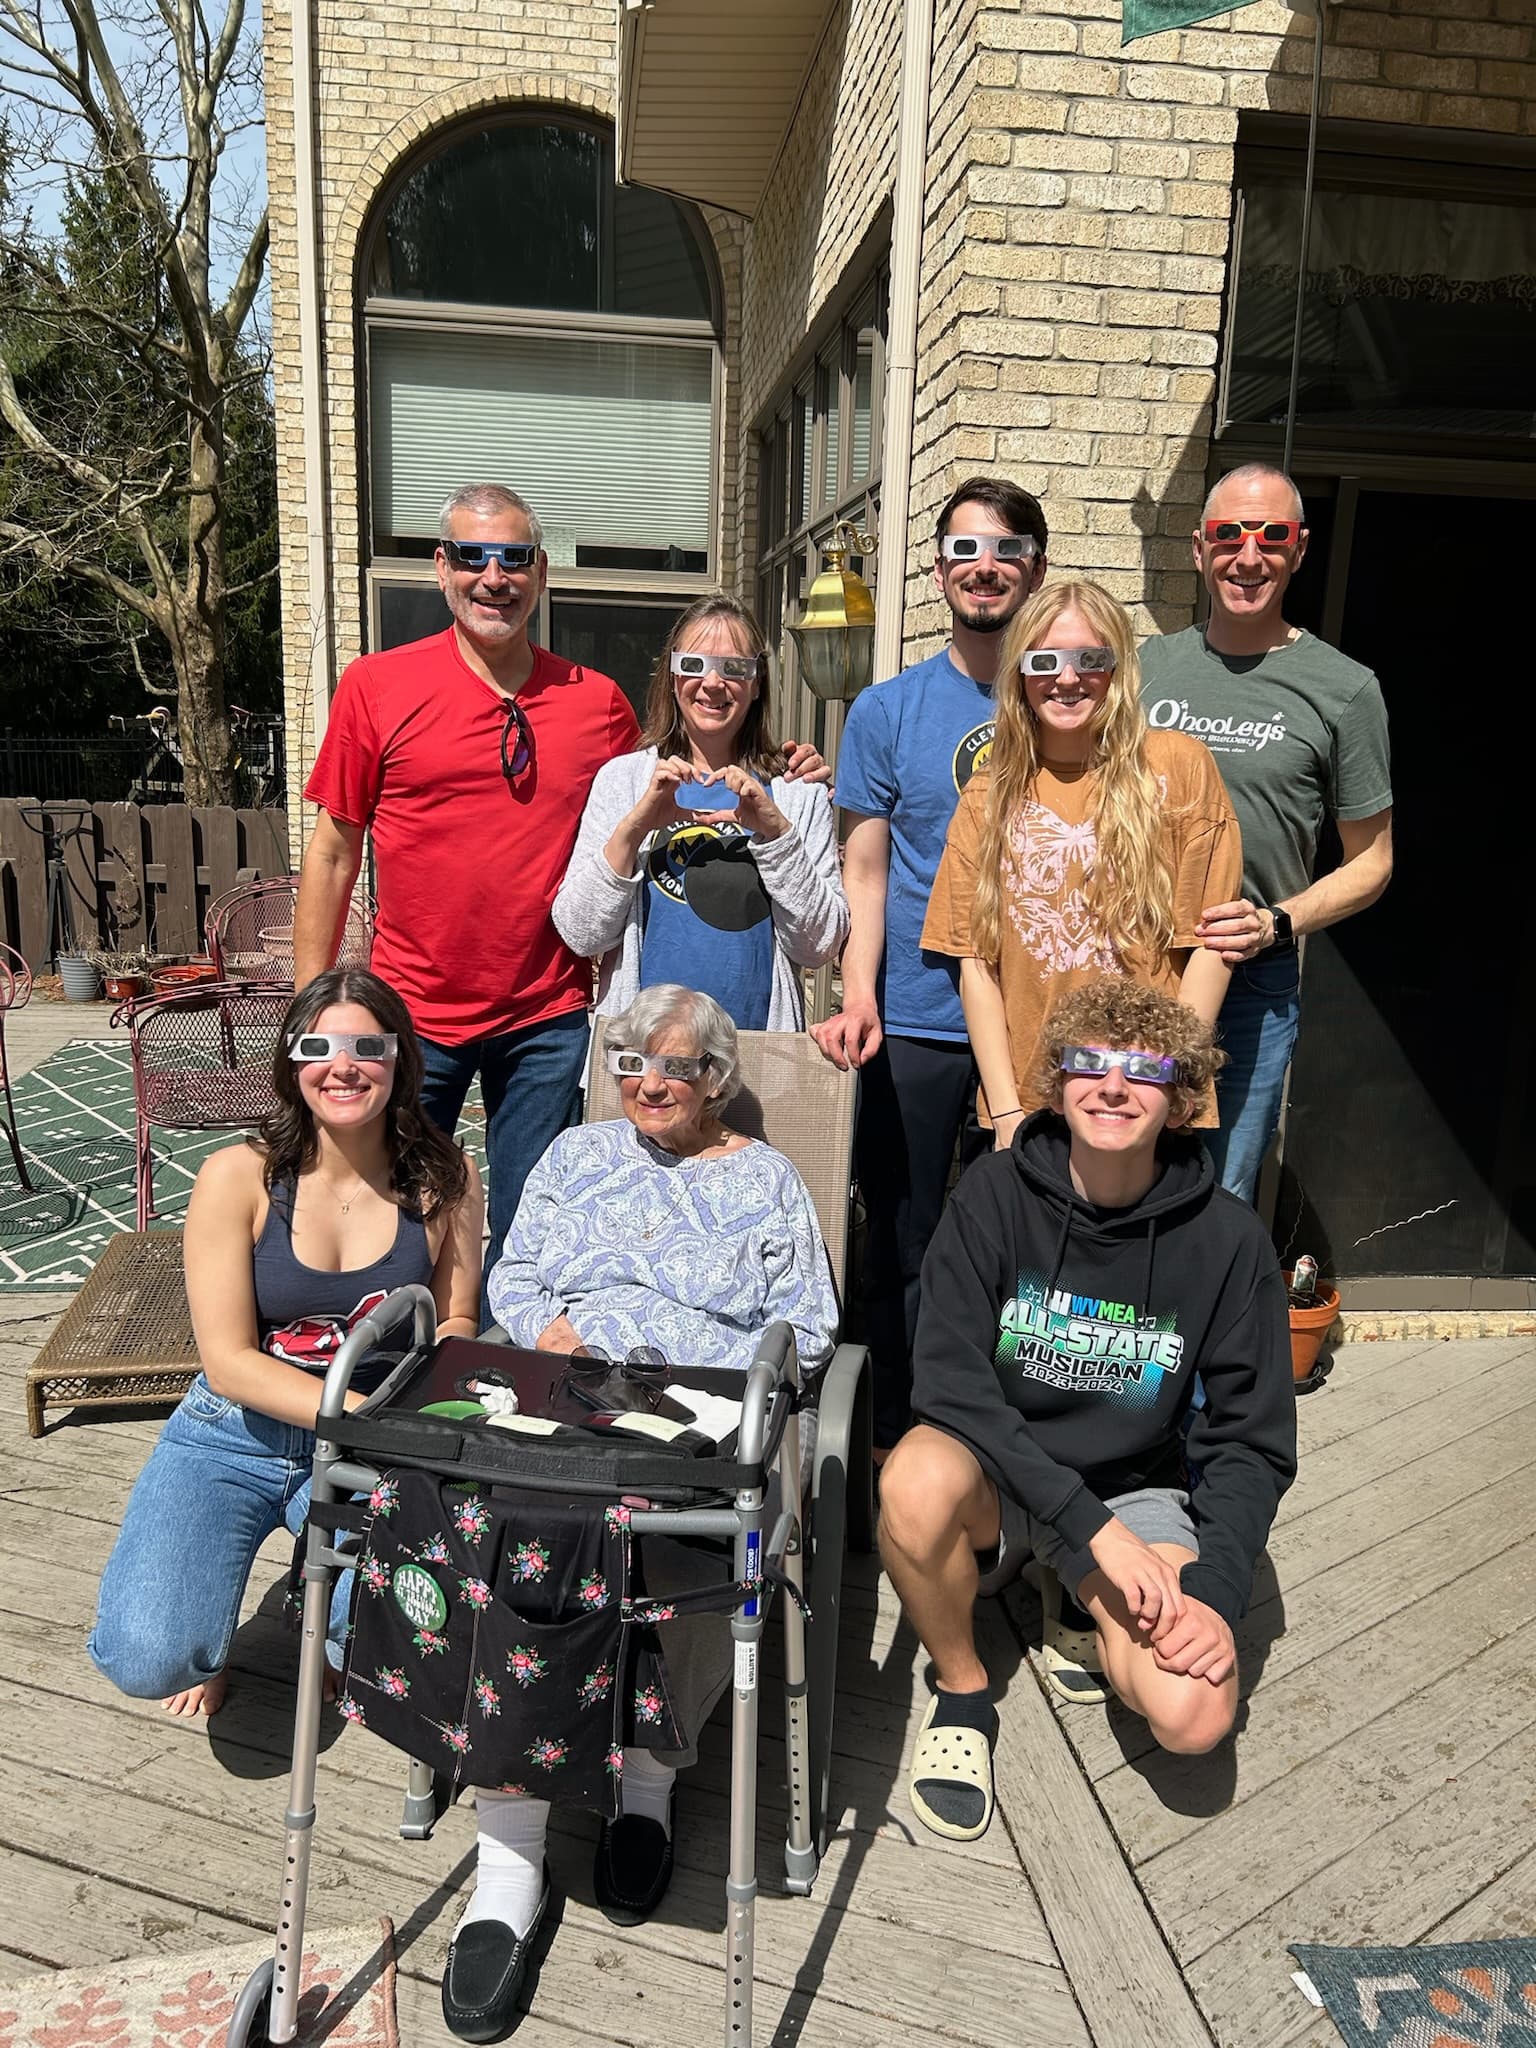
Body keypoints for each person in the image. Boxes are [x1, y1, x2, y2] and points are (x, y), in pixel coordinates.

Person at [438, 984, 837, 2040]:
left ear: (717, 1079)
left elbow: (807, 1321)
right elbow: (515, 1269)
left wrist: (717, 1388)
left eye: (673, 1067)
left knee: (677, 1541)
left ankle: (646, 1792)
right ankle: (510, 1857)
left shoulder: (767, 1180)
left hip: (689, 1412)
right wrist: (545, 1325)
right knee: (515, 1514)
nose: (647, 1084)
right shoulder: (574, 1158)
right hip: (563, 1393)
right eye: (627, 1064)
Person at [878, 978, 1296, 1844]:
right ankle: (962, 1688)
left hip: (1130, 1491)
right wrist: (1085, 1529)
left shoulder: (1228, 1239)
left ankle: (1074, 1597)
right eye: (1089, 1063)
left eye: (1144, 1069)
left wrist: (1215, 1594)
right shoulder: (992, 1196)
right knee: (913, 1478)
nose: (1113, 1085)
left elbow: (1249, 1439)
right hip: (997, 1474)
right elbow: (949, 1384)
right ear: (1058, 1082)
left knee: (1193, 1716)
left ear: (1181, 1097)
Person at [87, 968, 483, 1718]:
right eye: (318, 1046)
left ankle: (329, 1625)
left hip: (371, 1440)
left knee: (406, 1648)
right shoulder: (239, 1176)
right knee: (151, 1658)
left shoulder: (444, 1175)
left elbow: (457, 1318)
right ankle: (206, 1633)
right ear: (290, 1063)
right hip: (235, 1435)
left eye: (368, 1044)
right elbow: (230, 1362)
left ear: (400, 1059)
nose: (344, 1065)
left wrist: (412, 1420)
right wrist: (363, 1414)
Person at [294, 483, 639, 1301]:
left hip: (547, 1013)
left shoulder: (597, 703)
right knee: (398, 1207)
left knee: (532, 1218)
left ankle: (498, 1378)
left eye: (515, 557)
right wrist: (316, 1003)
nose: (495, 576)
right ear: (441, 570)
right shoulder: (376, 686)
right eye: (474, 556)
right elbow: (336, 852)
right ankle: (382, 1367)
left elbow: (655, 811)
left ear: (541, 572)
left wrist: (779, 766)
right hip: (413, 1014)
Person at [812, 474, 1049, 1450]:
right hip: (911, 1015)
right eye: (963, 549)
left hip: (1038, 1025)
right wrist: (858, 990)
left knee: (1031, 1241)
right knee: (902, 1242)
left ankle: (1014, 1432)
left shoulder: (1073, 697)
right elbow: (864, 873)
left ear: (1034, 567)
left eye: (1003, 550)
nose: (983, 566)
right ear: (938, 567)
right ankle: (899, 1432)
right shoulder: (886, 709)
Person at [1140, 461, 1393, 1203]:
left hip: (1250, 981)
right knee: (1113, 1176)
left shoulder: (1344, 689)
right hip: (1138, 961)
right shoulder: (1147, 667)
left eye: (1271, 535)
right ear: (1199, 547)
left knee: (1220, 1194)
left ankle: (1204, 1324)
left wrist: (1278, 923)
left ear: (1300, 549)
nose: (1248, 556)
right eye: (1230, 535)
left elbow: (1373, 860)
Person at [922, 578, 1240, 1150]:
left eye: (1089, 659)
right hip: (1035, 1106)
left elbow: (1212, 945)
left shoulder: (1180, 768)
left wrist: (1166, 1082)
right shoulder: (989, 794)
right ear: (1018, 671)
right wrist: (1007, 1112)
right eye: (1044, 659)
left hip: (1147, 1101)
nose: (1067, 678)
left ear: (1117, 667)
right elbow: (976, 964)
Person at [552, 594, 847, 1029]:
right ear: (672, 676)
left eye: (733, 668)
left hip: (756, 1058)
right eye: (693, 664)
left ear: (757, 682)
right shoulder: (624, 781)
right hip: (641, 1063)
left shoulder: (795, 794)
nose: (712, 683)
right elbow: (581, 933)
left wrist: (778, 835)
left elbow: (819, 946)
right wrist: (634, 827)